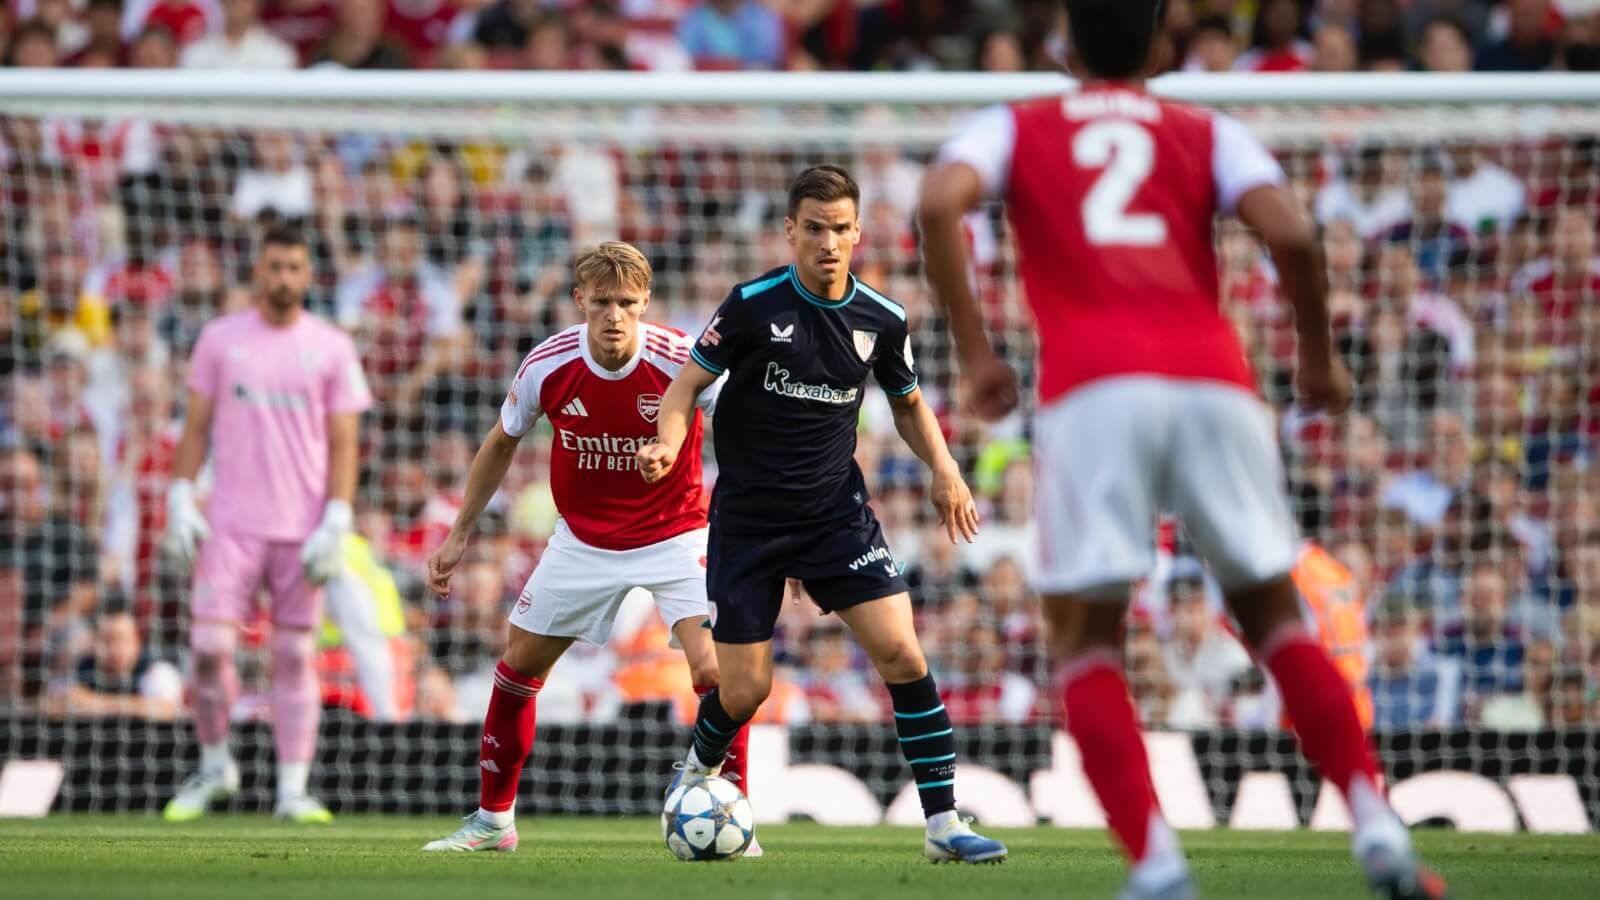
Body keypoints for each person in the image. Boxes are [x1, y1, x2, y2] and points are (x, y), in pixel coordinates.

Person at [917, 2, 1446, 897]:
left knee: (1086, 636)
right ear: (1163, 47)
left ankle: (1159, 865)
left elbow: (937, 200)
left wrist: (976, 356)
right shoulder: (1207, 129)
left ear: (1061, 47)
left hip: (1092, 389)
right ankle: (1376, 823)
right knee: (1276, 614)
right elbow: (1289, 232)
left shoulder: (1016, 125)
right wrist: (1316, 358)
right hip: (1214, 379)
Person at [638, 165, 1007, 864]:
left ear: (858, 232)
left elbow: (907, 403)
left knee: (902, 651)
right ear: (790, 231)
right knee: (745, 689)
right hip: (749, 521)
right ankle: (694, 777)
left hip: (836, 515)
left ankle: (944, 824)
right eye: (814, 229)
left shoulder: (882, 319)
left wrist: (946, 469)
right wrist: (665, 440)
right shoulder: (750, 306)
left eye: (840, 229)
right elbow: (685, 388)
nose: (828, 242)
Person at [420, 242, 756, 855]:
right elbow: (501, 442)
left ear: (646, 302)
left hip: (677, 532)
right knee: (519, 666)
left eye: (628, 303)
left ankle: (733, 809)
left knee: (717, 671)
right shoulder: (547, 365)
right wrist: (460, 530)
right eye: (601, 302)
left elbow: (745, 435)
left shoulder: (683, 358)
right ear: (579, 301)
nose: (614, 316)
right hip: (583, 540)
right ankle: (494, 823)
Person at [161, 225, 371, 824]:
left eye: (294, 268)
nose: (283, 278)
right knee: (207, 648)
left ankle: (291, 789)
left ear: (309, 275)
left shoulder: (331, 346)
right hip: (230, 522)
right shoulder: (220, 340)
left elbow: (344, 442)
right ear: (258, 270)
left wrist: (337, 516)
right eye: (274, 266)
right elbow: (195, 425)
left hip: (301, 527)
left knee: (294, 656)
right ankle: (215, 763)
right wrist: (180, 495)